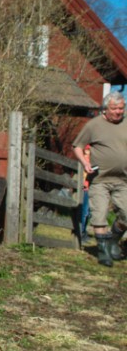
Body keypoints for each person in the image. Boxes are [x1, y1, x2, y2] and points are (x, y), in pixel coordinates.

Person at [72, 91, 127, 267]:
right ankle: (103, 252)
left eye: (121, 108)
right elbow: (77, 146)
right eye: (115, 109)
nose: (119, 112)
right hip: (100, 179)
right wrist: (84, 162)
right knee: (100, 215)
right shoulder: (93, 125)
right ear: (105, 108)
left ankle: (111, 242)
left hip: (123, 180)